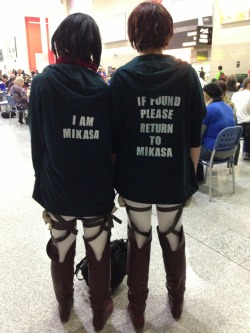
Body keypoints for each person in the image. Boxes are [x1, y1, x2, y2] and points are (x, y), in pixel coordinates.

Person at [110, 2, 207, 330]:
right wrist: (189, 178)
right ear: (168, 32)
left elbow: (114, 139)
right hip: (171, 180)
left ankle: (137, 309)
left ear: (133, 34)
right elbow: (195, 135)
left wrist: (115, 181)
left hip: (134, 179)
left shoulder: (122, 77)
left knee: (139, 235)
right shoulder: (186, 74)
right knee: (173, 233)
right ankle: (176, 299)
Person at [29, 13, 115, 330]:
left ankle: (65, 306)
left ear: (60, 42)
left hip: (58, 188)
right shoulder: (104, 89)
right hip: (96, 189)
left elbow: (38, 143)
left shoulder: (42, 83)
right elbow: (111, 145)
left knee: (62, 249)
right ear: (93, 46)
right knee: (98, 249)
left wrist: (45, 183)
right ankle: (97, 308)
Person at [196, 83, 236, 182]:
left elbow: (198, 134)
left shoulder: (209, 109)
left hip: (213, 152)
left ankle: (197, 179)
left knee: (190, 148)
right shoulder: (228, 107)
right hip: (229, 152)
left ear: (207, 95)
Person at [231, 77, 250, 160]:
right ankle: (246, 152)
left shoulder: (235, 94)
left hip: (234, 123)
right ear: (248, 85)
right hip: (246, 125)